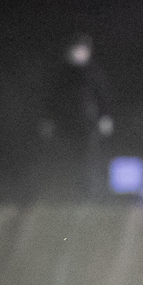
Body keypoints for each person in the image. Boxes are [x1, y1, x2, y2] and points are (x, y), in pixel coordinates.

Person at [39, 34, 114, 200]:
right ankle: (66, 191)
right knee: (67, 158)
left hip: (88, 124)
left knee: (88, 159)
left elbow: (102, 96)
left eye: (83, 50)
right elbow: (51, 98)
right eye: (76, 50)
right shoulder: (61, 74)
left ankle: (88, 193)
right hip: (65, 124)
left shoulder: (94, 72)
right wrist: (48, 120)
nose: (79, 53)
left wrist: (105, 117)